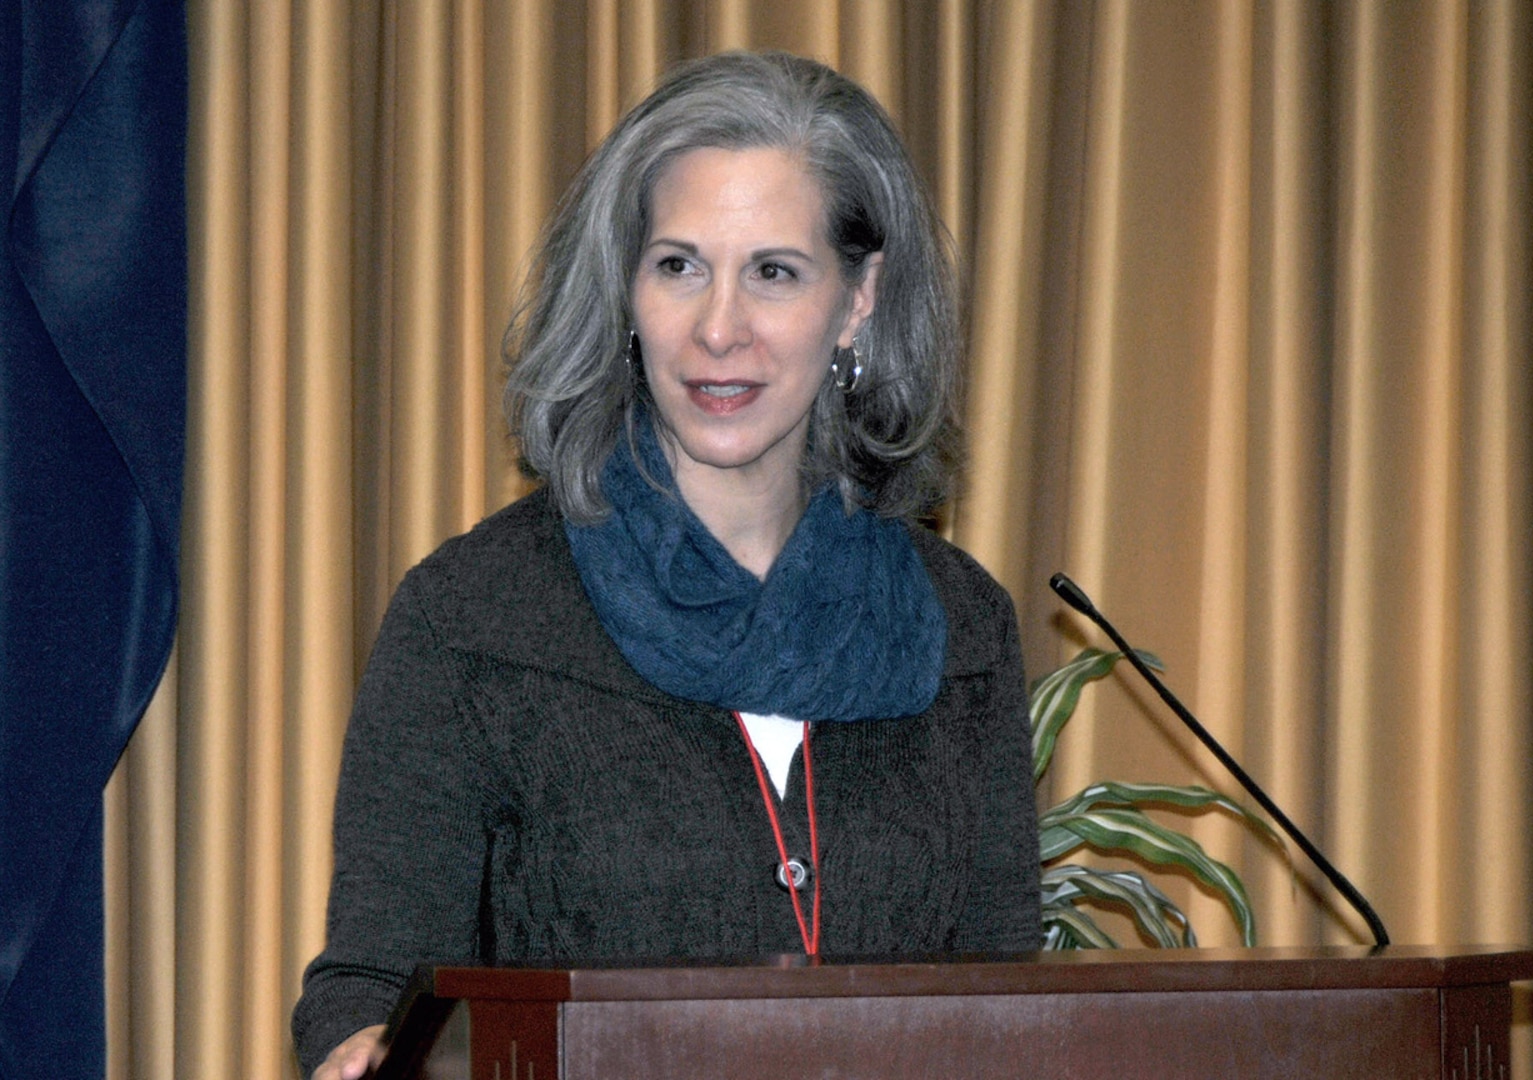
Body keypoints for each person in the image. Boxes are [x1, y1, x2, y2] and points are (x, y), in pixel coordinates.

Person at [293, 50, 1038, 1080]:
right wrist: (357, 1051)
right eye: (677, 265)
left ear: (858, 300)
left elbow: (1010, 1000)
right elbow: (367, 985)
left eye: (773, 272)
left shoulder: (961, 628)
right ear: (625, 291)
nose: (716, 328)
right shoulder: (472, 618)